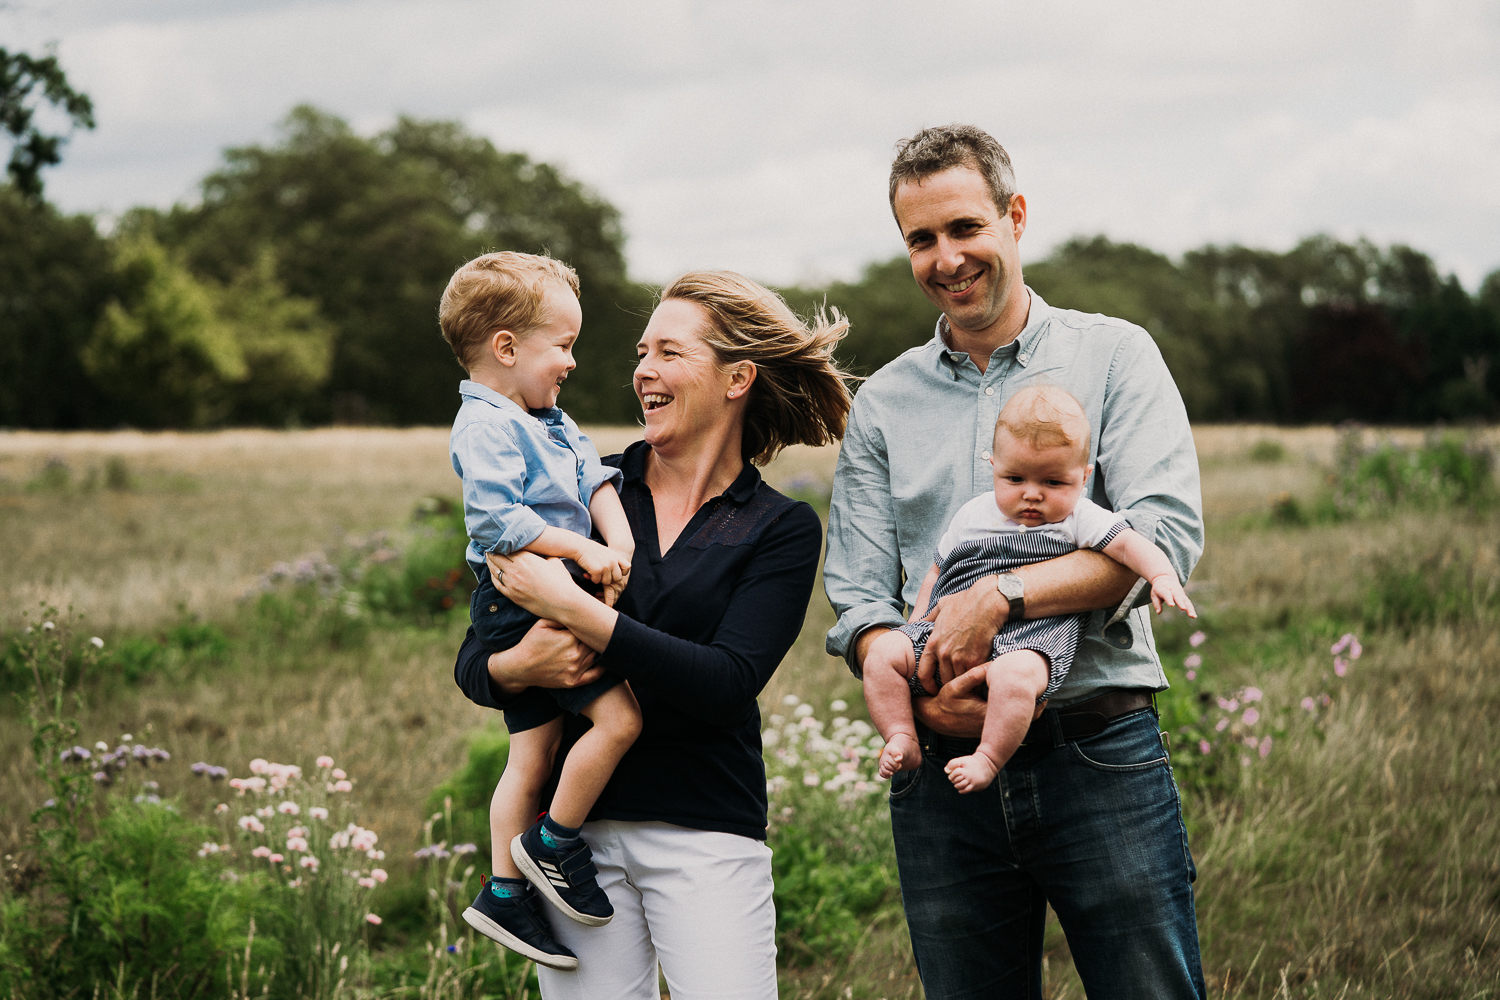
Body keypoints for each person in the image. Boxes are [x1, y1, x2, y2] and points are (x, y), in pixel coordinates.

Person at [824, 124, 1209, 998]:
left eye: (965, 227)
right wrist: (912, 686)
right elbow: (858, 589)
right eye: (921, 238)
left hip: (1096, 751)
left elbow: (1162, 535)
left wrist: (1001, 596)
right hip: (941, 781)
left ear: (1016, 216)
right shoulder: (884, 402)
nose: (946, 258)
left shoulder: (1114, 357)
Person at [454, 269, 853, 999]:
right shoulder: (583, 491)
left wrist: (577, 612)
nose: (643, 370)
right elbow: (478, 662)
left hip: (707, 832)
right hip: (568, 848)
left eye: (669, 352)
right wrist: (521, 666)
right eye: (642, 352)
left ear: (736, 379)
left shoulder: (779, 527)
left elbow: (726, 683)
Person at [439, 251, 643, 970]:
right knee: (619, 721)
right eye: (563, 344)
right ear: (507, 348)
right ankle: (554, 841)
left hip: (550, 589)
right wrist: (582, 551)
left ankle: (502, 891)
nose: (572, 361)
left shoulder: (545, 418)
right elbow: (496, 521)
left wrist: (618, 542)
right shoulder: (487, 427)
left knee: (533, 752)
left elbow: (593, 476)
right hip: (518, 601)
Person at [864, 384, 1197, 795]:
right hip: (947, 629)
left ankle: (988, 757)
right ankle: (901, 735)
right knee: (882, 654)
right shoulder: (972, 514)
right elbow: (936, 571)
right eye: (1015, 478)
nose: (1032, 494)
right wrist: (915, 627)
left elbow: (1129, 546)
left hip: (1032, 636)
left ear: (1083, 477)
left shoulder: (1079, 517)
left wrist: (1161, 576)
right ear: (994, 466)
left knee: (1017, 678)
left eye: (1054, 482)